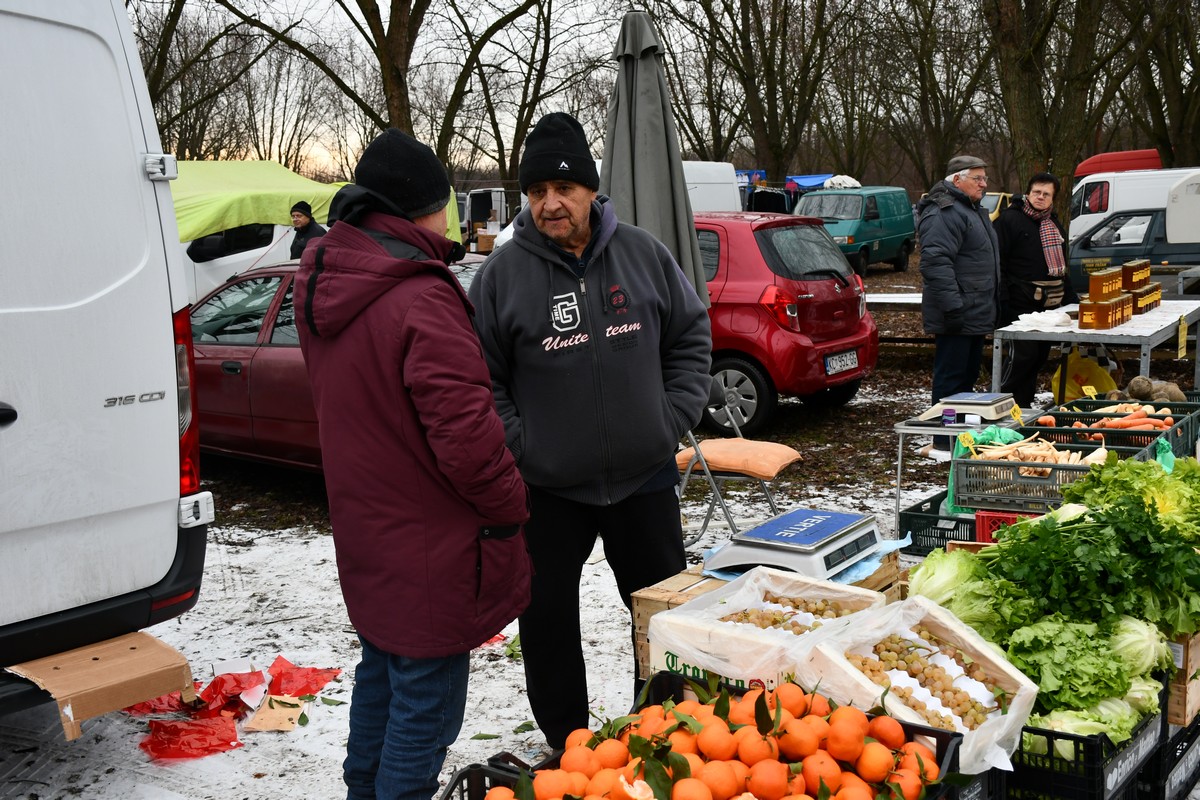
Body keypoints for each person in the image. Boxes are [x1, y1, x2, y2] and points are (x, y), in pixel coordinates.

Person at [293, 128, 531, 800]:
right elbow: (468, 438)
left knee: (381, 680)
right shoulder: (420, 296)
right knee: (423, 711)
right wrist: (513, 503)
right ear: (421, 211)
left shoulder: (327, 283)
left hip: (369, 532)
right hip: (432, 547)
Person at [467, 112, 712, 749]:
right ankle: (567, 743)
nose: (551, 203)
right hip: (547, 488)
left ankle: (662, 729)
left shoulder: (643, 253)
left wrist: (672, 417)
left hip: (644, 475)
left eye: (565, 189)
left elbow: (690, 337)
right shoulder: (500, 275)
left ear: (592, 190)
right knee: (546, 620)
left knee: (662, 617)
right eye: (537, 191)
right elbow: (481, 378)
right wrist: (522, 446)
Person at [915, 155, 1001, 449]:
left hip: (975, 311)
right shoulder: (944, 213)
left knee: (967, 378)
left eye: (984, 178)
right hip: (957, 313)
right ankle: (943, 440)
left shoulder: (973, 210)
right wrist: (954, 308)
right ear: (957, 179)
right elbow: (935, 264)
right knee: (950, 381)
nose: (984, 184)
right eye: (977, 178)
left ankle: (959, 437)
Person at [995, 172, 1078, 407]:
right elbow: (997, 263)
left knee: (1038, 358)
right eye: (1036, 192)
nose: (1040, 197)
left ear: (1053, 198)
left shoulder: (1053, 224)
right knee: (1023, 357)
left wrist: (1073, 301)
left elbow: (1062, 267)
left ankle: (1023, 406)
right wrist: (1002, 301)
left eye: (1046, 194)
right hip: (1018, 304)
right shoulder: (1008, 220)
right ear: (1028, 193)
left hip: (1049, 306)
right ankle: (998, 402)